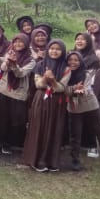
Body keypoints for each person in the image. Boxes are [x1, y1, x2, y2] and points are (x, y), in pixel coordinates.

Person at [64, 50, 100, 171]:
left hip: (90, 104)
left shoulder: (86, 73)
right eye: (70, 60)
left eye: (76, 60)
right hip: (74, 106)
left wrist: (79, 90)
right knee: (75, 133)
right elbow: (64, 90)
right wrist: (73, 89)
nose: (73, 62)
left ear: (80, 61)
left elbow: (87, 87)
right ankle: (75, 159)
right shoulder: (65, 74)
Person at [23, 39, 69, 172]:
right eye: (52, 48)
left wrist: (53, 80)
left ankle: (51, 161)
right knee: (39, 127)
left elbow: (61, 88)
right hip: (41, 99)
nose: (54, 51)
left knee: (54, 129)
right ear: (48, 50)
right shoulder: (40, 65)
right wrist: (45, 78)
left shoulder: (66, 68)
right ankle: (36, 159)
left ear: (62, 51)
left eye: (57, 49)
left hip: (57, 102)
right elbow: (38, 84)